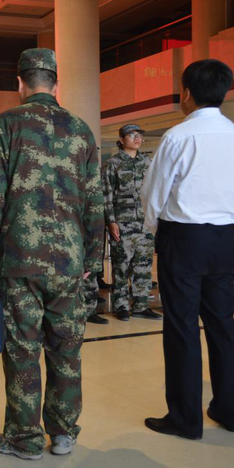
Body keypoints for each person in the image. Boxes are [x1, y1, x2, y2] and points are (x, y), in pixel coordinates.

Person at [0, 48, 104, 459]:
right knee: (66, 347)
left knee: (23, 348)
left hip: (19, 259)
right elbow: (95, 202)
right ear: (55, 82)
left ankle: (25, 438)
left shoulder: (5, 125)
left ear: (20, 82)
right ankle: (63, 433)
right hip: (69, 261)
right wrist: (92, 259)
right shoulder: (81, 130)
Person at [141, 59, 234, 440]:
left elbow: (153, 194)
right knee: (223, 325)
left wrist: (157, 229)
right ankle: (229, 410)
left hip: (184, 239)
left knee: (182, 328)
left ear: (186, 93)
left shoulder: (178, 137)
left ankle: (186, 419)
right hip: (223, 238)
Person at [103, 124, 161, 322]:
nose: (137, 138)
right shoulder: (113, 164)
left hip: (144, 223)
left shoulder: (147, 163)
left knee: (143, 265)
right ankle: (121, 305)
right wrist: (111, 221)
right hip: (123, 222)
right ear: (121, 140)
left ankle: (141, 305)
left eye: (139, 135)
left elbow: (155, 192)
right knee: (121, 266)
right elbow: (107, 195)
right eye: (132, 135)